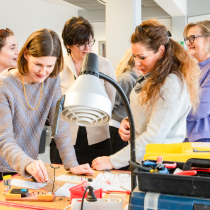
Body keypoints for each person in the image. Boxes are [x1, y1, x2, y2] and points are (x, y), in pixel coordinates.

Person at [92, 19, 200, 170]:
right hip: (143, 160)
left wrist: (112, 161)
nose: (137, 63)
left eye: (142, 57)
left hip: (159, 164)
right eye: (134, 56)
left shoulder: (171, 83)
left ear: (161, 51)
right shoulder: (150, 76)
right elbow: (147, 111)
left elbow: (154, 136)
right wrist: (128, 121)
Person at [0, 28, 94, 182]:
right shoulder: (4, 85)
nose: (43, 72)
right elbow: (4, 139)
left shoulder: (52, 80)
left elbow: (60, 124)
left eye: (50, 66)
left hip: (29, 169)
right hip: (4, 168)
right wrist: (28, 163)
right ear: (26, 54)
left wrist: (71, 163)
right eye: (38, 64)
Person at [50, 16, 116, 166]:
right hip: (64, 138)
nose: (87, 49)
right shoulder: (57, 67)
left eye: (89, 42)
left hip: (98, 139)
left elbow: (110, 101)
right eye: (81, 45)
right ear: (68, 44)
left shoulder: (104, 65)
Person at [110, 49, 141, 157]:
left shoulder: (137, 80)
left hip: (124, 130)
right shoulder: (125, 79)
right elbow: (110, 104)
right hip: (116, 130)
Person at [183, 20, 210, 142]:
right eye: (187, 39)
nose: (188, 43)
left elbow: (198, 109)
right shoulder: (192, 69)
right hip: (186, 137)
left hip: (204, 140)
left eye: (193, 38)